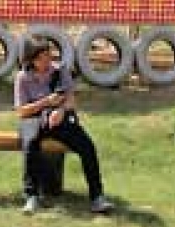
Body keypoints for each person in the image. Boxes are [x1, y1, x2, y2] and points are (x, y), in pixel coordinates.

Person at [14, 34, 114, 215]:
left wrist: (61, 110)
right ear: (31, 59)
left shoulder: (60, 71)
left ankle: (97, 196)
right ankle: (31, 195)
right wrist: (46, 102)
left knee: (87, 146)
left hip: (59, 117)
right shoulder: (23, 77)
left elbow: (71, 100)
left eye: (48, 55)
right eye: (41, 58)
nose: (46, 61)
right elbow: (22, 111)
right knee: (31, 143)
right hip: (33, 118)